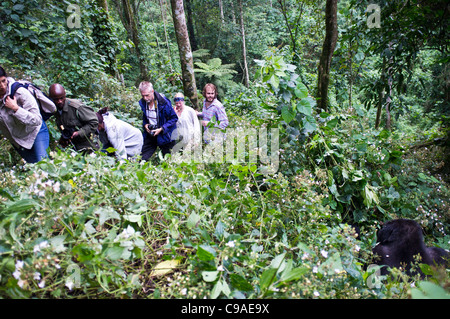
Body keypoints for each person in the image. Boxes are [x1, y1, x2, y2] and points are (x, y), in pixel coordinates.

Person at [0, 66, 49, 163]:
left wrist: (16, 109)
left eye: (3, 81)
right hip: (18, 141)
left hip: (35, 132)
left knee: (43, 165)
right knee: (34, 170)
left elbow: (37, 120)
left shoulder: (20, 92)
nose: (2, 86)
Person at [48, 83, 99, 153]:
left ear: (65, 96)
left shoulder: (76, 107)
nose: (59, 101)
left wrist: (79, 133)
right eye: (56, 99)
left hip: (89, 145)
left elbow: (94, 122)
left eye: (61, 98)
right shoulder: (54, 109)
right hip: (74, 147)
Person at [138, 81, 178, 161]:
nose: (145, 98)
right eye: (143, 96)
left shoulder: (163, 102)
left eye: (147, 95)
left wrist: (162, 129)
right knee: (142, 158)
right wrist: (145, 125)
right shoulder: (143, 103)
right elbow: (145, 117)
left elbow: (174, 118)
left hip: (166, 135)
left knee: (169, 160)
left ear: (152, 91)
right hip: (151, 133)